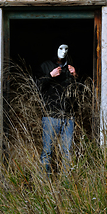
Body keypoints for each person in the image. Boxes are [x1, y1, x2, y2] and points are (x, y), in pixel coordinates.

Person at [37, 42, 78, 176]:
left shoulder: (70, 67)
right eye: (61, 48)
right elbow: (37, 87)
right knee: (47, 151)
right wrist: (50, 76)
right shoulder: (46, 66)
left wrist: (75, 76)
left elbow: (80, 90)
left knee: (67, 151)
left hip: (68, 116)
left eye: (67, 48)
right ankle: (45, 184)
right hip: (50, 115)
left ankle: (67, 185)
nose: (64, 51)